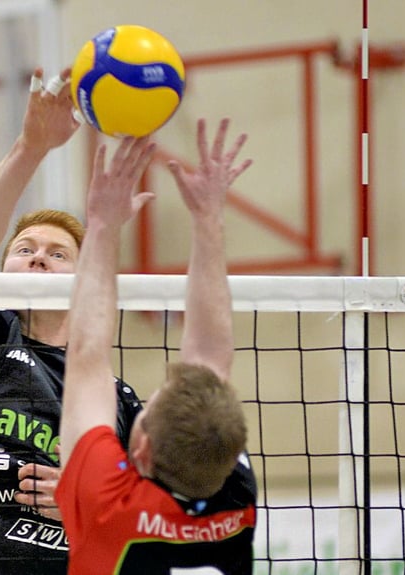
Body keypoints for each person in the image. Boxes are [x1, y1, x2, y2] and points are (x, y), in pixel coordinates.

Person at [0, 70, 144, 575]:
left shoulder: (116, 396)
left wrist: (82, 505)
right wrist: (32, 146)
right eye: (24, 249)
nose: (38, 258)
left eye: (58, 253)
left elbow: (140, 517)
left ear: (87, 282)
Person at [56, 119, 257, 574]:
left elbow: (87, 354)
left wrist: (103, 224)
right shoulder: (235, 495)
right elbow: (207, 358)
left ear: (141, 451)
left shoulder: (109, 501)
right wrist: (208, 217)